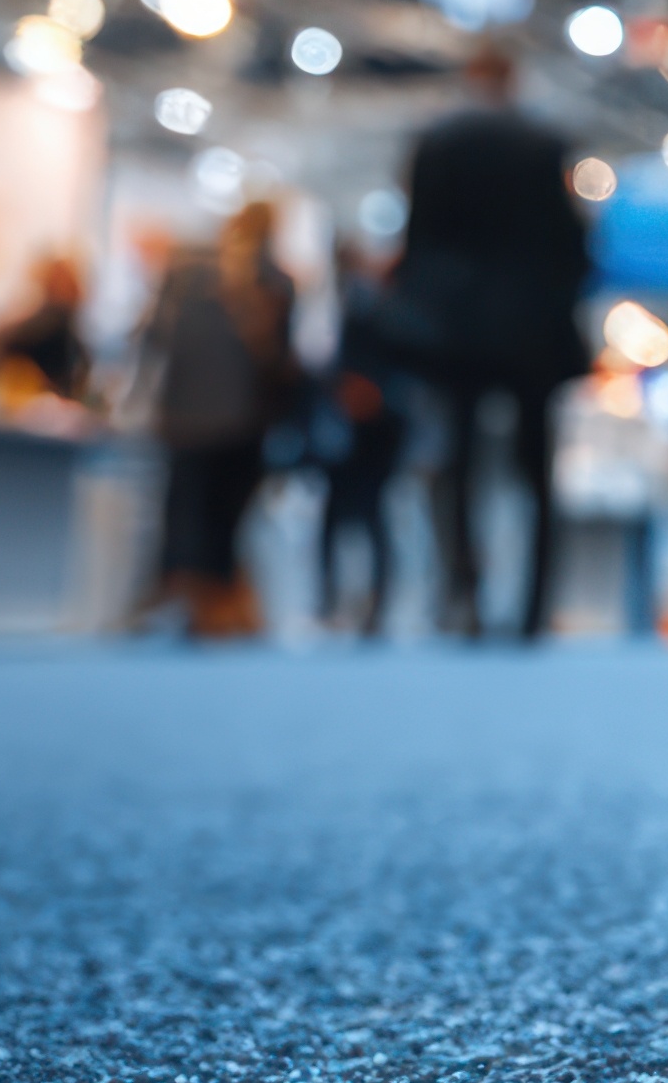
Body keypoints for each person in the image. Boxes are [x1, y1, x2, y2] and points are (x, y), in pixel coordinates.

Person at [388, 49, 588, 642]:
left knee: (458, 463)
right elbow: (571, 239)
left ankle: (464, 595)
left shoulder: (436, 142)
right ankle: (534, 607)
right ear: (513, 77)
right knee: (538, 467)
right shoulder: (545, 141)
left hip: (456, 327)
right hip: (532, 326)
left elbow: (416, 239)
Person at [136, 200, 297, 640]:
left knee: (182, 508)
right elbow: (282, 363)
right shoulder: (276, 282)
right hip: (243, 419)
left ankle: (176, 596)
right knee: (225, 517)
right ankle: (217, 605)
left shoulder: (185, 272)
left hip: (184, 415)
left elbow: (153, 339)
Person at [312, 239, 409, 636]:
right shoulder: (369, 305)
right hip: (356, 423)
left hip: (368, 424)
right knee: (359, 516)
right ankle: (351, 599)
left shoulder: (361, 307)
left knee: (359, 516)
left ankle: (358, 600)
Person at [0, 252, 94, 408]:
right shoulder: (68, 315)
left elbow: (13, 340)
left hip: (44, 396)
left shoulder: (54, 315)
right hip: (57, 392)